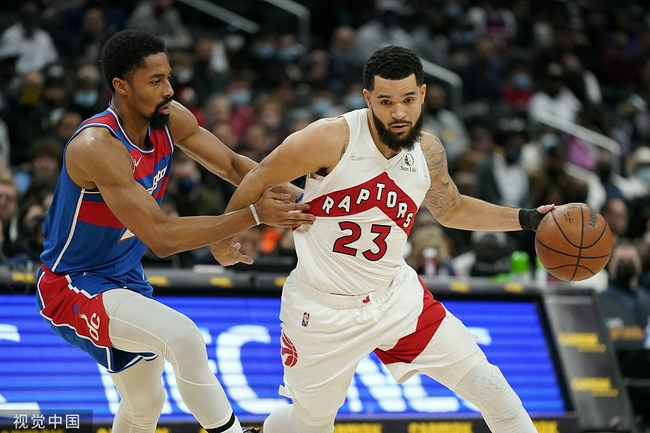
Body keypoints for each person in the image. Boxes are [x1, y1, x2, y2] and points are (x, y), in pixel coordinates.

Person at [211, 46, 551, 433]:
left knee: (495, 391)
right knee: (309, 425)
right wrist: (223, 238)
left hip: (397, 299)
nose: (399, 112)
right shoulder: (329, 139)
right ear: (368, 98)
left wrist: (526, 219)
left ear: (423, 94)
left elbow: (452, 209)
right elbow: (258, 178)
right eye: (386, 102)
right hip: (323, 310)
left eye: (408, 99)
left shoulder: (428, 150)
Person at [35, 29, 314, 433]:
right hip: (72, 283)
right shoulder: (96, 146)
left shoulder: (170, 118)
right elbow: (162, 237)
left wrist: (304, 199)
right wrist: (254, 215)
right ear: (121, 86)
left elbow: (234, 166)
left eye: (168, 77)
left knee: (144, 404)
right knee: (183, 337)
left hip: (125, 278)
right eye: (155, 81)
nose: (169, 89)